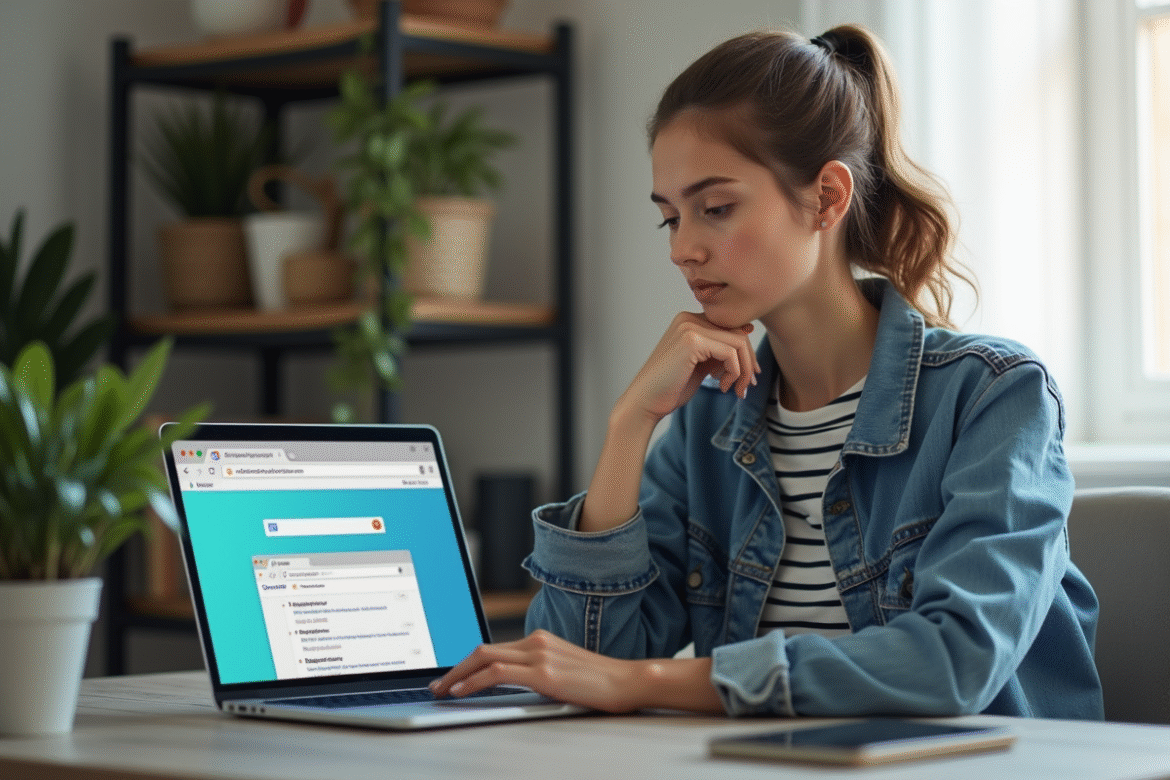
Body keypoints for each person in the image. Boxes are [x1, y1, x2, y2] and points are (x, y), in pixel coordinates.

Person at [430, 24, 1103, 719]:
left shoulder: (994, 396)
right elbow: (581, 658)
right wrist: (629, 425)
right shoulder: (708, 421)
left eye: (716, 209)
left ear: (828, 198)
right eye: (670, 218)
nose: (683, 249)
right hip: (775, 763)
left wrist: (650, 682)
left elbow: (954, 661)